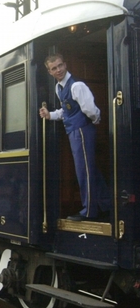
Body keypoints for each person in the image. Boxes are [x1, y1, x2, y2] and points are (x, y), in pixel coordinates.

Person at [39, 53, 111, 221]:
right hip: (74, 131)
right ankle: (106, 204)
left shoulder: (76, 85)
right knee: (89, 168)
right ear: (50, 72)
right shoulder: (59, 88)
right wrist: (50, 115)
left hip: (82, 130)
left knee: (83, 170)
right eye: (54, 68)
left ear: (65, 64)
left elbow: (91, 110)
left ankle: (89, 211)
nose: (58, 70)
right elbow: (66, 111)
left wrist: (95, 120)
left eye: (60, 65)